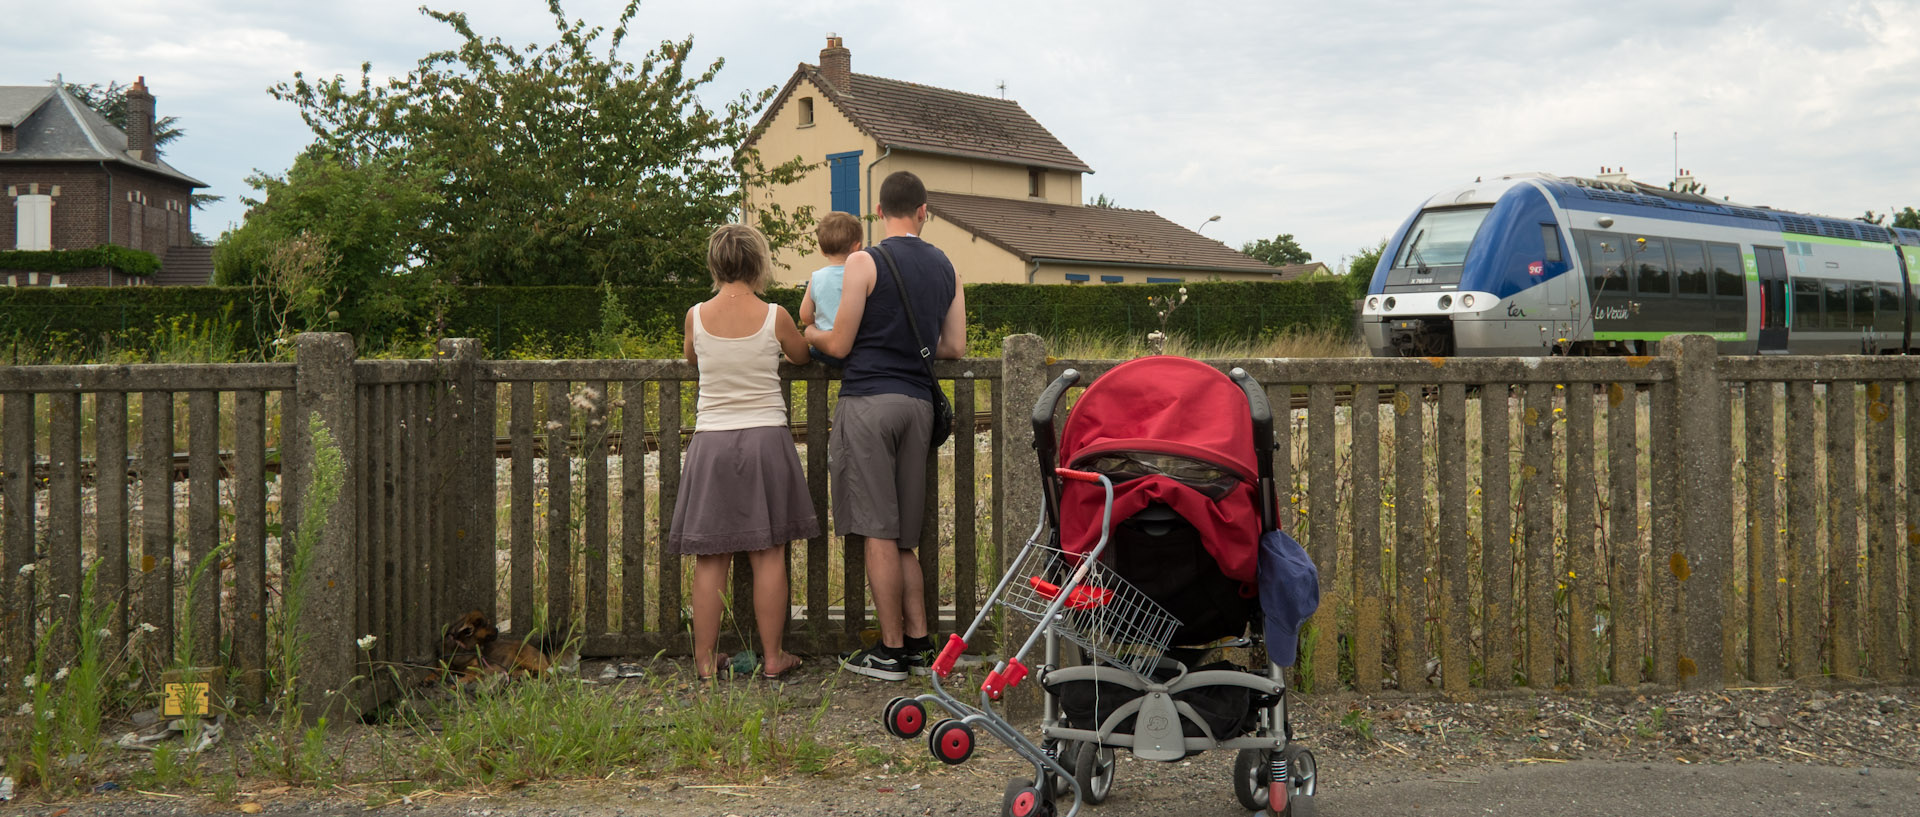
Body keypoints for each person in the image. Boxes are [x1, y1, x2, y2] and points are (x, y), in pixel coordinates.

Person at [806, 171, 967, 681]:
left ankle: (890, 650)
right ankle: (920, 644)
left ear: (879, 212)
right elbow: (953, 347)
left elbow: (838, 345)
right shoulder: (947, 266)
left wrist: (808, 328)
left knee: (877, 529)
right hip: (918, 405)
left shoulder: (864, 261)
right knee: (903, 537)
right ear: (924, 211)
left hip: (869, 401)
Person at [668, 223, 819, 681]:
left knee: (711, 557)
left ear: (715, 265)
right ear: (758, 263)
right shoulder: (775, 316)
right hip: (764, 441)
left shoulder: (695, 315)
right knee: (769, 553)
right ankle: (773, 657)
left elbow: (692, 358)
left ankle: (703, 662)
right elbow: (801, 357)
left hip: (712, 441)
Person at [798, 211, 862, 368]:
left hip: (826, 348)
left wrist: (815, 324)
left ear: (822, 250)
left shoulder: (817, 277)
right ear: (857, 247)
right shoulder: (861, 275)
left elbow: (805, 315)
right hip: (857, 349)